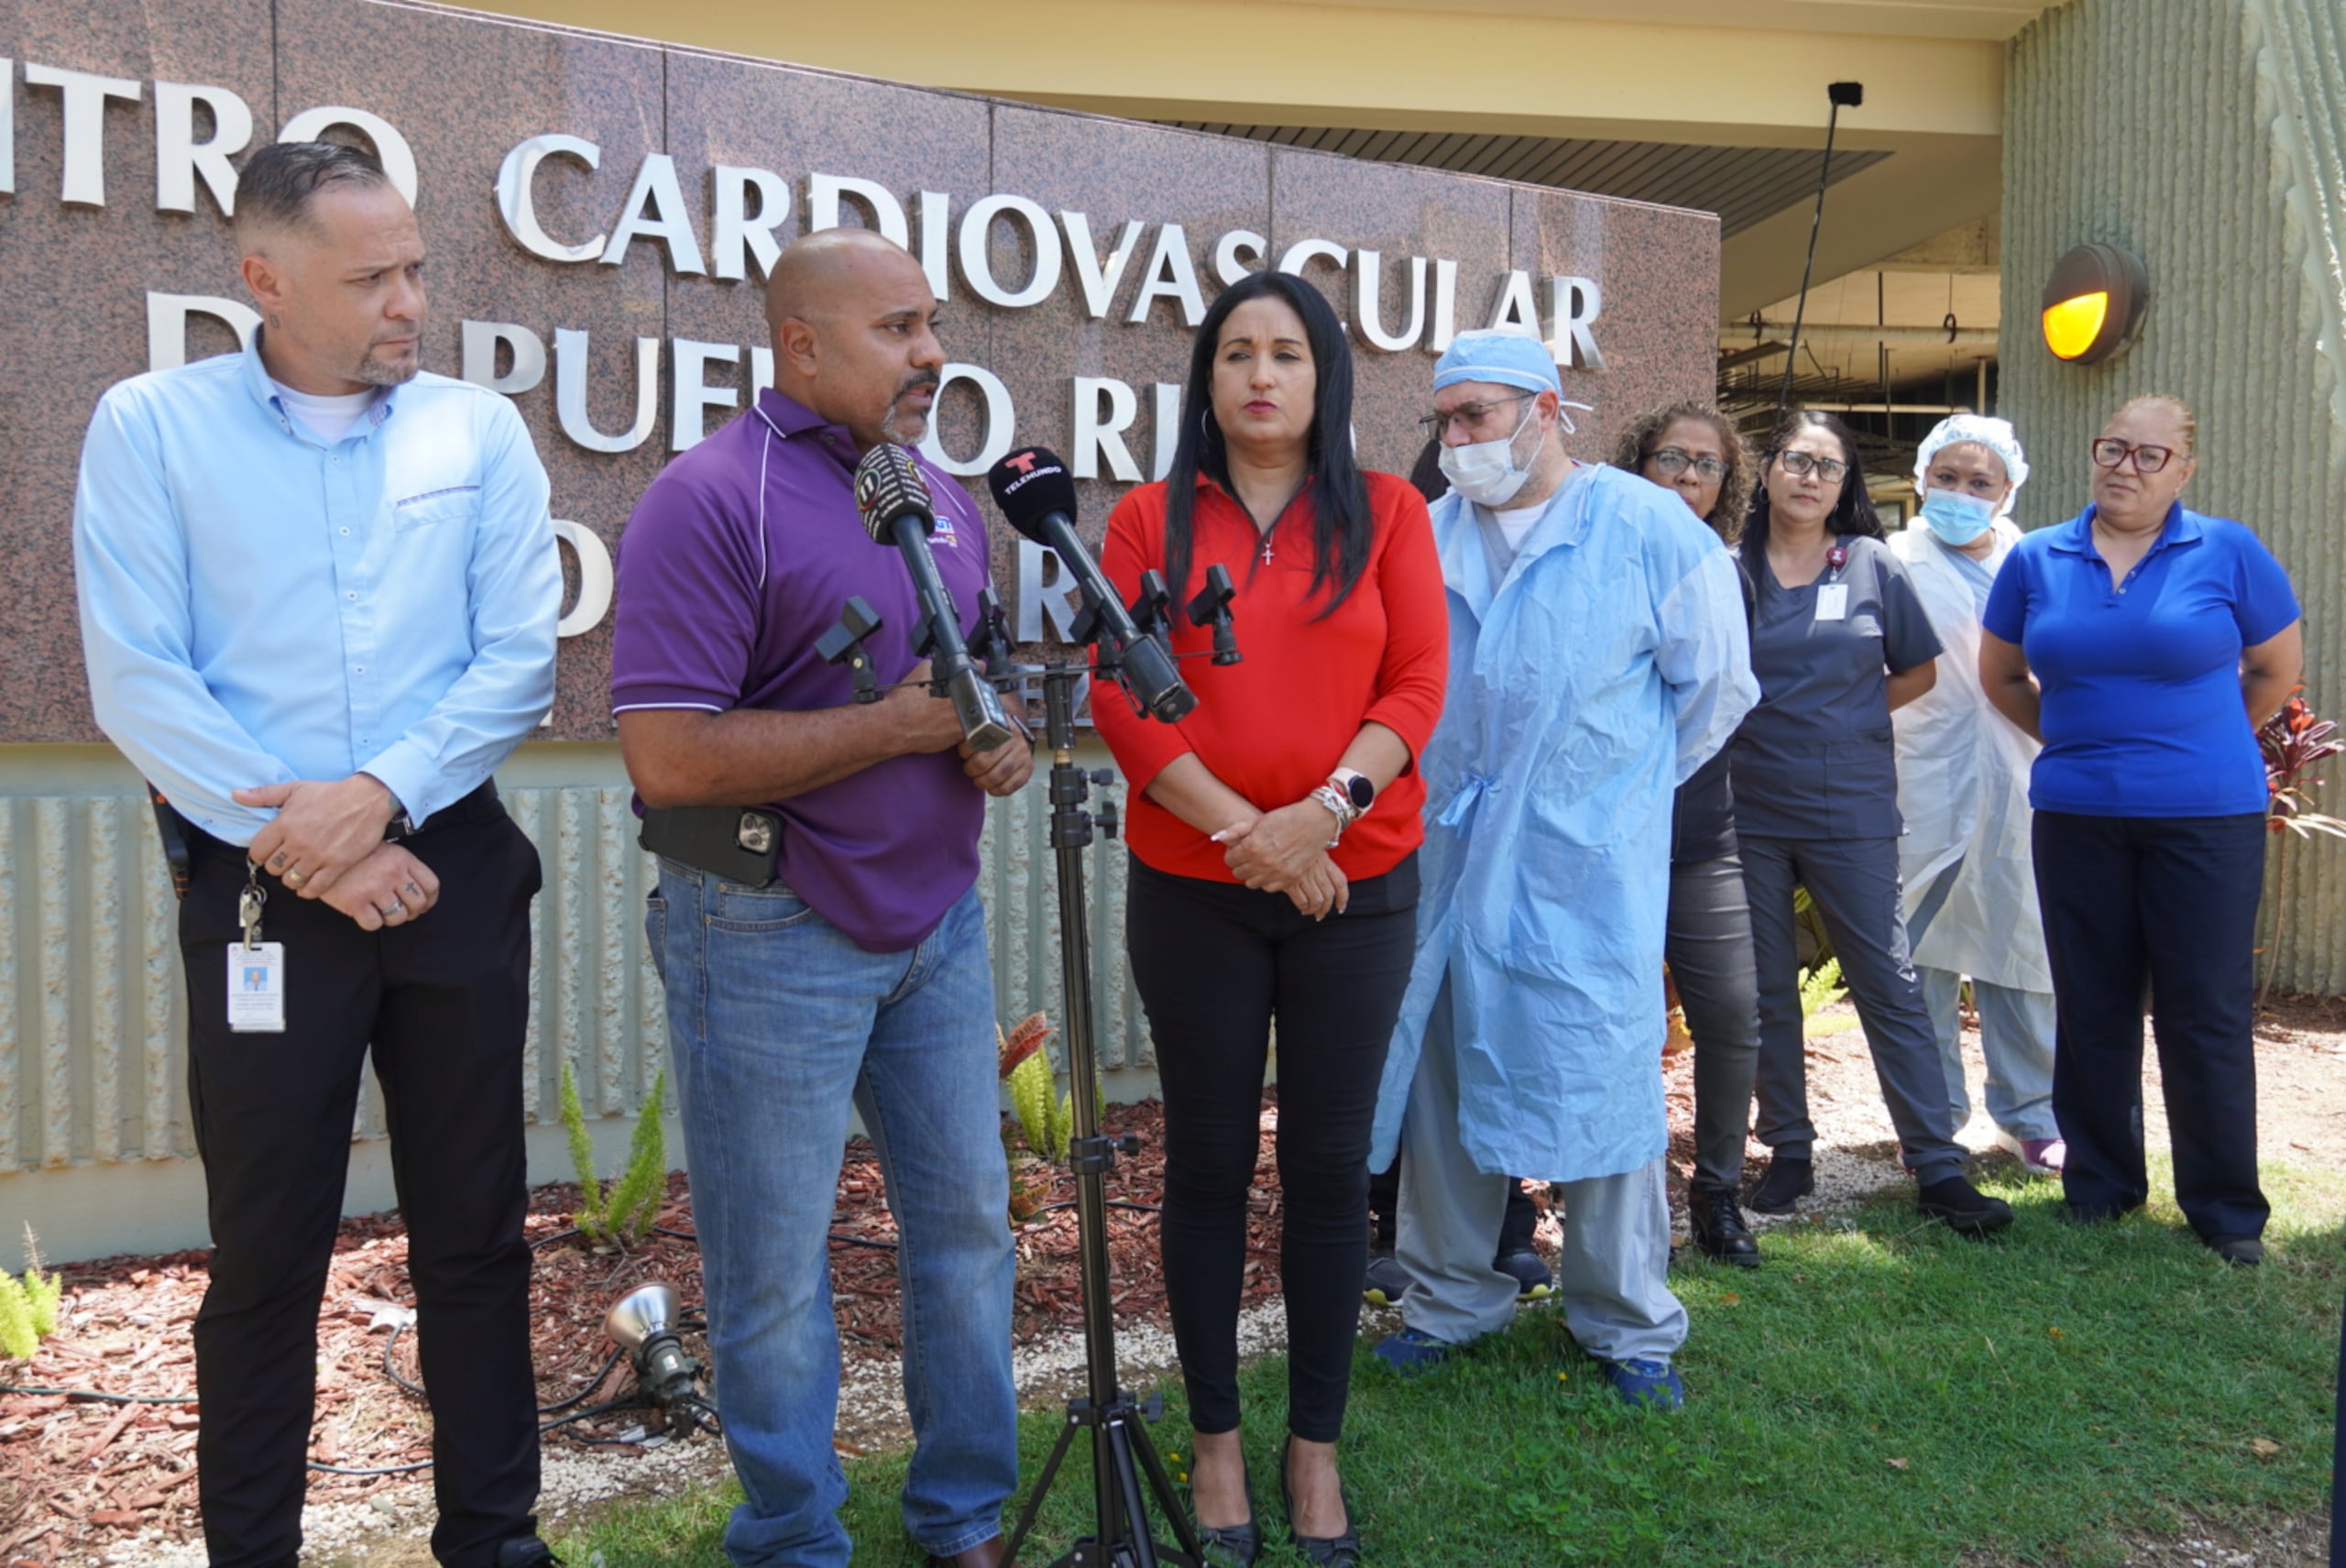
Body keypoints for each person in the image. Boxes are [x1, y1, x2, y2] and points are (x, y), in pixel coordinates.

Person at [71, 141, 561, 1568]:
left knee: (475, 1229)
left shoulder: (477, 432)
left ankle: (496, 1537)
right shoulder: (152, 427)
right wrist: (314, 846)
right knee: (268, 1251)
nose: (412, 298)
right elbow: (139, 679)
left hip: (451, 863)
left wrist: (382, 794)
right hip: (257, 884)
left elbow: (517, 660)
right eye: (373, 276)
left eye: (415, 264)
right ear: (263, 279)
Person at [610, 228, 1032, 1567]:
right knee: (773, 1268)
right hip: (766, 925)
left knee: (966, 1226)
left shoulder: (941, 496)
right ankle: (793, 1535)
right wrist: (898, 732)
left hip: (938, 927)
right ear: (801, 343)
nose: (932, 354)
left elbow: (968, 687)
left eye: (933, 324)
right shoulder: (709, 497)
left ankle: (961, 1510)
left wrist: (992, 733)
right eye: (899, 328)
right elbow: (668, 753)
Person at [1092, 270, 1446, 1566]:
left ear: (1324, 377)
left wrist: (1323, 815)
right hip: (1197, 888)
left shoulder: (1393, 511)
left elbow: (1416, 682)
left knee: (1325, 1168)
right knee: (1205, 1164)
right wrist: (1256, 835)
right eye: (1235, 352)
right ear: (1205, 380)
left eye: (1285, 352)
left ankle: (1315, 1447)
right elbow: (1125, 698)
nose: (1258, 374)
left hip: (1356, 882)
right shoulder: (1145, 519)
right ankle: (1219, 1442)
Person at [1366, 333, 1759, 1410]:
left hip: (1584, 868)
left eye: (1474, 416)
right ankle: (1449, 1299)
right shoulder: (1427, 533)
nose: (1455, 441)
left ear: (1544, 409)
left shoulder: (1646, 526)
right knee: (1445, 1084)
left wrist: (1604, 797)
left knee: (1603, 1089)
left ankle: (1627, 1322)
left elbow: (1715, 689)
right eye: (1442, 420)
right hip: (1446, 860)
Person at [1979, 395, 2300, 1267]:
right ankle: (2102, 1184)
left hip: (2206, 816)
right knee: (2093, 1003)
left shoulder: (2228, 550)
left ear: (2184, 470)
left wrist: (2191, 744)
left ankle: (2226, 1208)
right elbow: (2003, 675)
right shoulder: (2040, 557)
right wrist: (2082, 745)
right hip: (2078, 814)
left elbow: (2274, 669)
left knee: (2205, 1011)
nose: (2125, 465)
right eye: (2112, 447)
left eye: (2149, 454)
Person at [1732, 411, 2012, 1234]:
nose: (1809, 476)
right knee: (1763, 988)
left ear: (1844, 483)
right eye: (1795, 459)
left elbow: (1916, 671)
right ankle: (1788, 1150)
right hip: (1745, 805)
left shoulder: (1871, 565)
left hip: (1848, 803)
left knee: (1887, 979)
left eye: (1828, 465)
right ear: (1769, 471)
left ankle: (1936, 1163)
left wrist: (1841, 719)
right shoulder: (1727, 568)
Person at [1363, 438, 1548, 1307]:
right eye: (1457, 436)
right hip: (1404, 825)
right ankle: (1391, 1225)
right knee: (1405, 1031)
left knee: (1498, 1028)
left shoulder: (1556, 556)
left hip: (1520, 839)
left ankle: (1509, 1226)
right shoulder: (1402, 543)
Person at [1609, 401, 1767, 1266]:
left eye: (1706, 465)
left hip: (1699, 833)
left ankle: (1716, 1192)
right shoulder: (1600, 556)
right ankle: (1608, 1191)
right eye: (1670, 456)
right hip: (1605, 837)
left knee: (1731, 1012)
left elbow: (1717, 703)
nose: (1686, 476)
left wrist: (1657, 779)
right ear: (1638, 462)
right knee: (1618, 1021)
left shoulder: (1722, 569)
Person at [1889, 415, 2064, 1175]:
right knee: (1917, 948)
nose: (1960, 493)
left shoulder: (2041, 563)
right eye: (1947, 478)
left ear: (2008, 490)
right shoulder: (1889, 559)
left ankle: (2030, 1116)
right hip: (1917, 774)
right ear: (1923, 479)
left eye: (1979, 482)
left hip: (2020, 773)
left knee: (2020, 941)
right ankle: (1932, 1120)